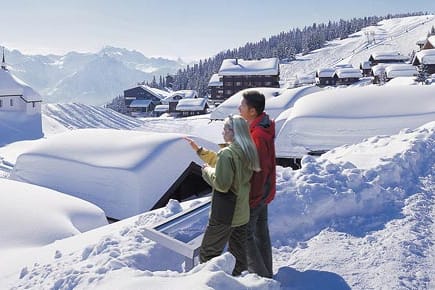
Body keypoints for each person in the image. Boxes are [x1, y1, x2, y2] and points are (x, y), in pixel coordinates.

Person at [185, 114, 260, 276]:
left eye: (225, 129)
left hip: (226, 214)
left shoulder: (228, 154)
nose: (222, 132)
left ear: (234, 132)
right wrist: (199, 150)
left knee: (208, 254)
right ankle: (239, 282)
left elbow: (222, 183)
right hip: (242, 212)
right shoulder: (247, 150)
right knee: (238, 254)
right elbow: (224, 163)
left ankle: (208, 283)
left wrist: (206, 171)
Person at [238, 89, 276, 278]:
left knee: (243, 234)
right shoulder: (261, 128)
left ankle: (260, 277)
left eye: (243, 105)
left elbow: (259, 168)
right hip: (264, 189)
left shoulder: (258, 134)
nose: (239, 108)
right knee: (260, 232)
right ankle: (266, 274)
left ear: (252, 111)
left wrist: (253, 197)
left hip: (257, 190)